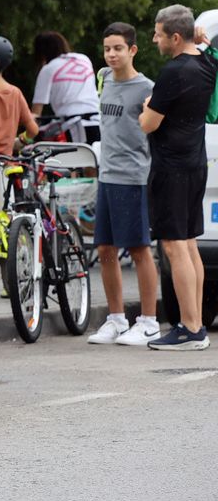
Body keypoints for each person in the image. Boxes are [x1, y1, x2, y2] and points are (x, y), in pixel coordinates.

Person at [140, 5, 217, 350]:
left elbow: (149, 123)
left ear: (174, 37)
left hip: (170, 166)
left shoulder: (173, 71)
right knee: (188, 243)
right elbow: (205, 46)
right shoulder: (206, 63)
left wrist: (146, 104)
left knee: (174, 244)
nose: (154, 39)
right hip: (195, 163)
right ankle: (196, 323)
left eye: (158, 34)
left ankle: (189, 327)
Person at [88, 23, 160, 346]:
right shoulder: (102, 78)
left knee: (139, 249)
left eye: (118, 48)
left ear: (133, 50)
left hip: (133, 177)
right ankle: (116, 319)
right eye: (107, 48)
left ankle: (149, 321)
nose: (112, 54)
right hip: (106, 175)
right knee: (105, 248)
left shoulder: (147, 87)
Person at [30, 31, 100, 141]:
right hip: (98, 121)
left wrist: (26, 137)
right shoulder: (84, 59)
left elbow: (35, 114)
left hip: (73, 126)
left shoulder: (48, 69)